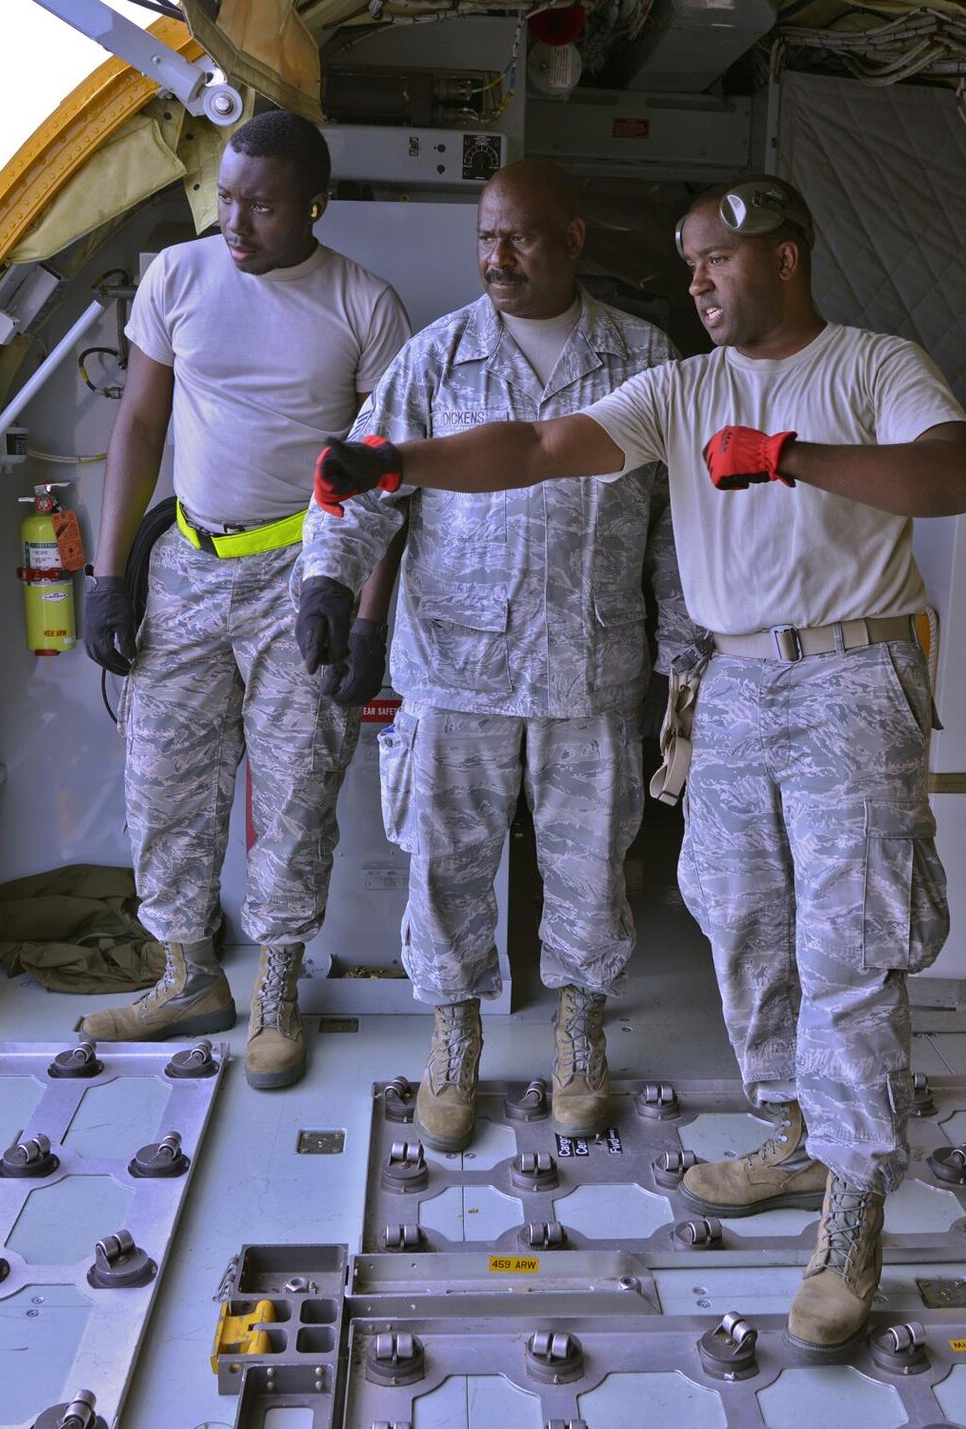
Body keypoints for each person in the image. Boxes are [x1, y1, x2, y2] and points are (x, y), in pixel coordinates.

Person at [311, 174, 966, 1359]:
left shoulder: (876, 367)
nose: (696, 283)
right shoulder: (678, 385)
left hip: (848, 680)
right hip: (731, 687)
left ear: (781, 253)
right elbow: (534, 444)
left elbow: (950, 478)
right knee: (738, 921)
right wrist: (396, 463)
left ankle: (855, 1203)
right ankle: (789, 1133)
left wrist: (787, 455)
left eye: (713, 259)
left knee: (848, 945)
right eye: (684, 266)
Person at [298, 159, 691, 1152]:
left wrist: (685, 659)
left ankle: (578, 1033)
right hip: (454, 671)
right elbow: (359, 483)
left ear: (571, 238)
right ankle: (452, 1036)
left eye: (517, 237)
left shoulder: (644, 360)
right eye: (483, 237)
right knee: (444, 864)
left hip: (589, 673)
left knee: (591, 868)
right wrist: (327, 584)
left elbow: (674, 529)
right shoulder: (437, 360)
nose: (495, 257)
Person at [80, 109, 412, 1092]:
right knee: (163, 779)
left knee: (299, 786)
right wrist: (107, 576)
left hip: (299, 575)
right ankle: (185, 977)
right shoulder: (175, 276)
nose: (236, 221)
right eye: (225, 197)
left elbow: (389, 477)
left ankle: (274, 986)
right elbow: (139, 423)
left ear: (315, 203)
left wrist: (365, 615)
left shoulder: (363, 304)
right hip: (185, 562)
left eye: (260, 205)